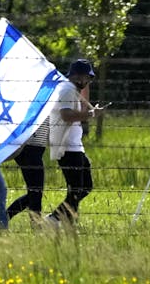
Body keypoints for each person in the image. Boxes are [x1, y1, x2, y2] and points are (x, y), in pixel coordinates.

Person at [46, 59, 105, 225]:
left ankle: (62, 219)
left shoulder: (72, 90)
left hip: (75, 145)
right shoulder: (67, 90)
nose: (88, 82)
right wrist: (92, 115)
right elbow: (66, 115)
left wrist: (91, 111)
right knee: (77, 189)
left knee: (84, 187)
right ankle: (56, 220)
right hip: (67, 147)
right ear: (79, 77)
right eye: (88, 78)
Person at [6, 114, 49, 225]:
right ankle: (36, 225)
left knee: (34, 192)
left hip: (35, 149)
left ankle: (3, 218)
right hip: (29, 148)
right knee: (36, 191)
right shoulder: (38, 98)